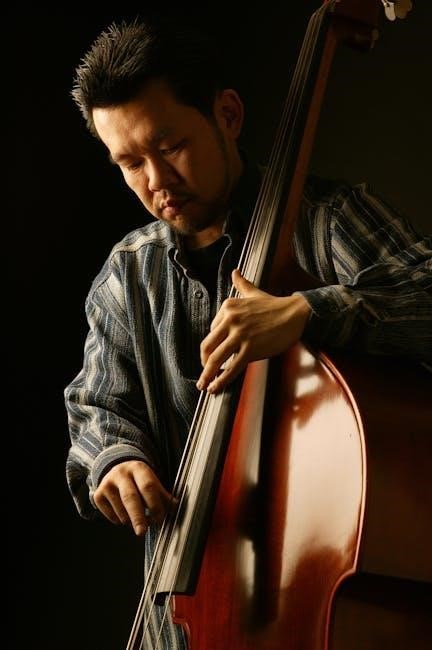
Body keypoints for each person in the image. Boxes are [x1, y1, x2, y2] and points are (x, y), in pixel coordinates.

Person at [64, 15, 432, 649]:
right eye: (130, 163)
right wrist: (115, 459)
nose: (156, 181)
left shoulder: (325, 223)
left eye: (170, 146)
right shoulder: (127, 278)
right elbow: (97, 408)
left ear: (227, 114)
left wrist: (310, 311)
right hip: (175, 628)